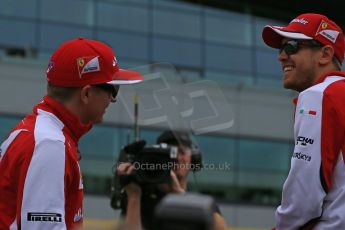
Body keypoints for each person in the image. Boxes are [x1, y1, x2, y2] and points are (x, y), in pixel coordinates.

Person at [0, 37, 143, 229]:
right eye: (113, 89)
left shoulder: (45, 133)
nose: (113, 99)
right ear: (86, 94)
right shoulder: (49, 144)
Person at [262, 13, 345, 229]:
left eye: (291, 46)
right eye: (280, 49)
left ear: (325, 54)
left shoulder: (320, 95)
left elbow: (304, 193)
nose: (281, 56)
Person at [117, 130, 227, 230]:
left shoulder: (200, 204)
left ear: (193, 159)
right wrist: (134, 197)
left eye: (182, 152)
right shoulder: (141, 200)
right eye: (171, 153)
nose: (177, 158)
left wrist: (180, 196)